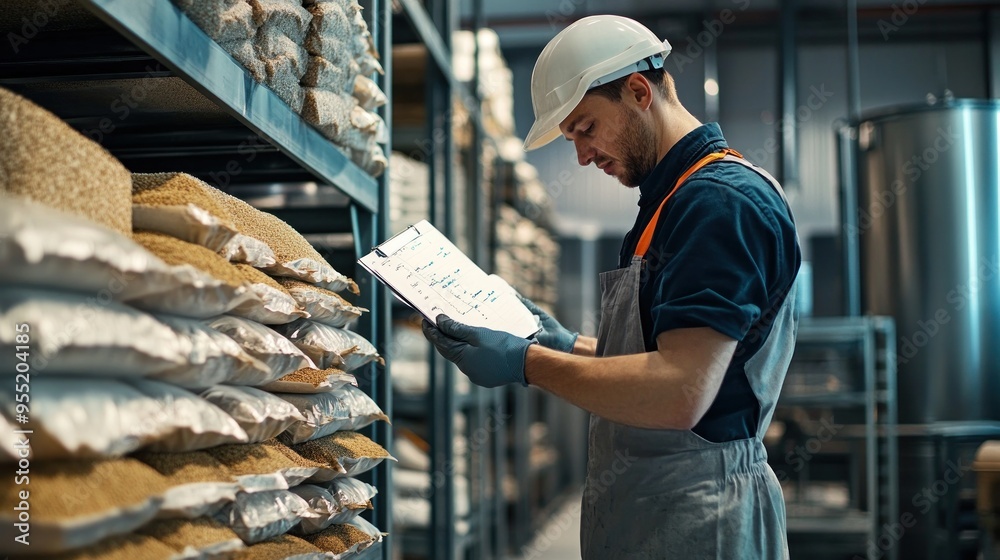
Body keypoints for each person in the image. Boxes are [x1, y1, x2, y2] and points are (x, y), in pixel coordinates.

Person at [422, 14, 800, 559]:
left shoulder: (719, 203)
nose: (580, 155)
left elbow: (680, 389)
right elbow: (663, 353)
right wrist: (564, 343)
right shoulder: (669, 204)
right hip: (660, 511)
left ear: (639, 91)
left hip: (703, 521)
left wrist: (527, 363)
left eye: (585, 128)